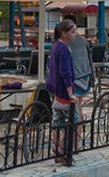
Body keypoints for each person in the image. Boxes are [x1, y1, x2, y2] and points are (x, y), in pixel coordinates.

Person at [47, 17, 79, 164]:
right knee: (74, 121)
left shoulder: (55, 46)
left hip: (55, 91)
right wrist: (71, 93)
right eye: (73, 32)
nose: (75, 34)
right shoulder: (64, 50)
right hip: (64, 92)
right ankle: (62, 149)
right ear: (64, 33)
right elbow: (66, 73)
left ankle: (56, 149)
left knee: (57, 122)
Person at [64, 15, 92, 131]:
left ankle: (75, 138)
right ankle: (77, 138)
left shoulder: (67, 42)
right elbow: (89, 59)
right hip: (85, 79)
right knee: (78, 107)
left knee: (74, 109)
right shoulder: (83, 40)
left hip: (75, 79)